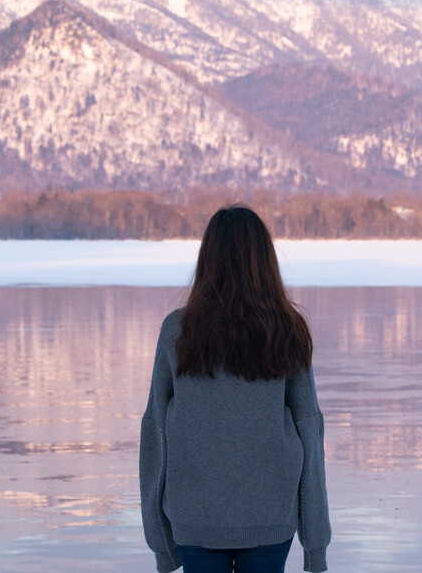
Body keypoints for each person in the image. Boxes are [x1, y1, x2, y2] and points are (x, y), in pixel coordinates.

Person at [140, 203, 331, 573]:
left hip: (195, 516)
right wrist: (315, 546)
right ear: (264, 260)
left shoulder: (177, 330)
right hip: (270, 513)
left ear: (207, 259)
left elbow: (155, 434)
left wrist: (161, 542)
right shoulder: (286, 330)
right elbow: (310, 432)